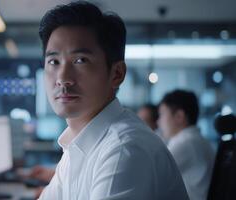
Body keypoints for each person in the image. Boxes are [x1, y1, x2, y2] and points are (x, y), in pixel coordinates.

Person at [38, 1, 188, 200]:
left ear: (117, 73)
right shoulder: (78, 144)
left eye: (80, 60)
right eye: (53, 62)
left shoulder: (124, 149)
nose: (62, 78)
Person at [158, 89, 215, 200]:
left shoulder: (185, 143)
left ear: (179, 116)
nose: (158, 121)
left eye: (162, 114)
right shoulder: (196, 139)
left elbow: (153, 176)